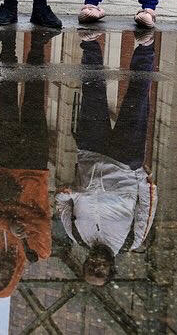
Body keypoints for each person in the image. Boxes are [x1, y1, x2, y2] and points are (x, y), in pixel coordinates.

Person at [56, 30, 158, 286]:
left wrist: (65, 194)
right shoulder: (132, 240)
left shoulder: (76, 235)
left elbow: (61, 205)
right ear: (112, 269)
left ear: (85, 263)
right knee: (137, 98)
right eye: (101, 271)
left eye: (91, 268)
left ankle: (90, 44)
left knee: (92, 94)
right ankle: (145, 47)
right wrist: (142, 178)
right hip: (126, 162)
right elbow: (146, 207)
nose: (97, 265)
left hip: (90, 153)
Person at [0, 30, 55, 297]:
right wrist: (11, 217)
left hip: (2, 165)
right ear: (13, 278)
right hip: (33, 168)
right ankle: (37, 48)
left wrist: (7, 221)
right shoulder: (38, 253)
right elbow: (42, 223)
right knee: (34, 102)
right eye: (3, 279)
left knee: (5, 99)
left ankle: (7, 47)